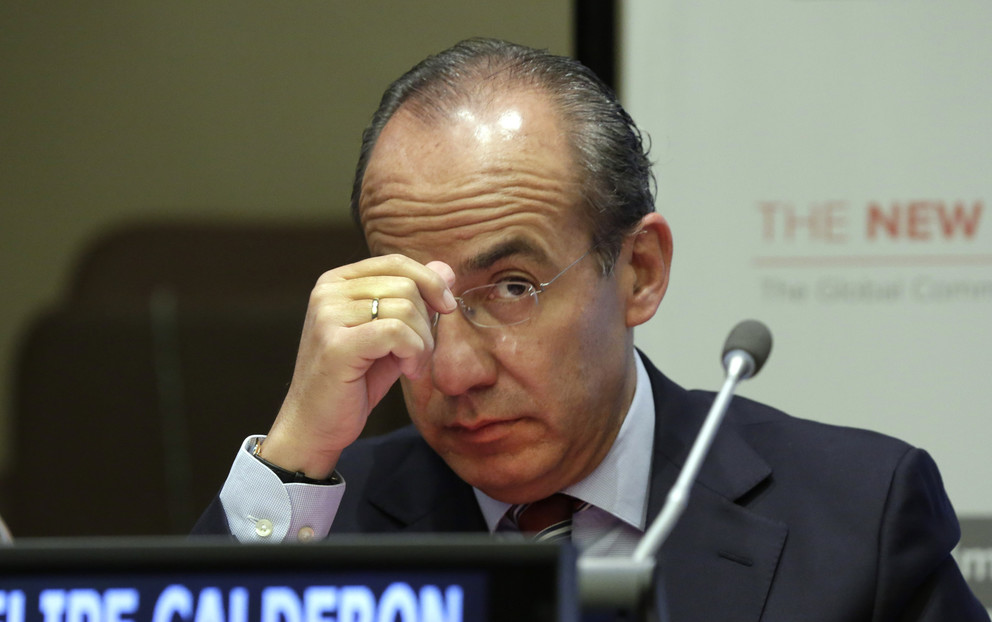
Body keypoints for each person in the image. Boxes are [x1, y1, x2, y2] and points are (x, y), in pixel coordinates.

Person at [194, 38, 987, 620]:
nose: (455, 371)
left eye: (513, 287)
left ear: (640, 270)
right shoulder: (320, 527)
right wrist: (293, 458)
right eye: (416, 301)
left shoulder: (857, 516)